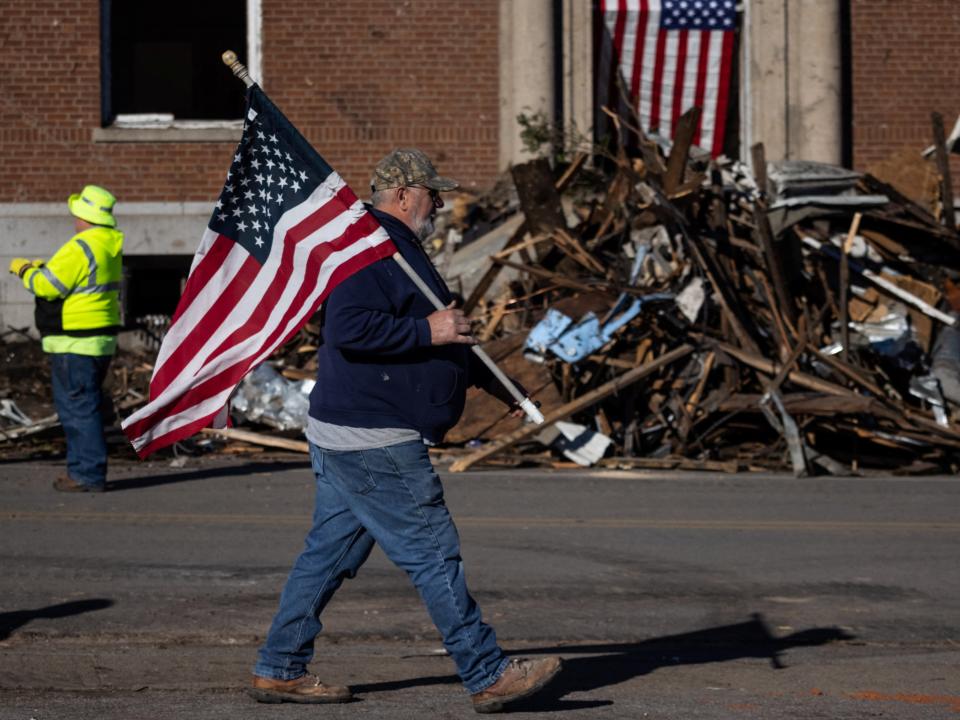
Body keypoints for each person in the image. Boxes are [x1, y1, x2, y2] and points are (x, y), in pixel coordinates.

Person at [249, 149, 561, 712]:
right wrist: (429, 329)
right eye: (431, 194)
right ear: (402, 195)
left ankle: (280, 666)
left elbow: (444, 335)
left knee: (327, 556)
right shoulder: (370, 248)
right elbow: (350, 328)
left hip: (351, 432)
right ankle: (487, 672)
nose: (439, 203)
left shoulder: (401, 248)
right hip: (376, 437)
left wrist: (501, 390)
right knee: (433, 554)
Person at [8, 185, 123, 493]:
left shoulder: (81, 245)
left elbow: (47, 286)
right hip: (98, 340)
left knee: (77, 409)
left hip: (74, 342)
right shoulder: (108, 243)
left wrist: (23, 270)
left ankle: (86, 474)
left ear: (84, 216)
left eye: (77, 214)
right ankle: (85, 469)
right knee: (86, 405)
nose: (74, 220)